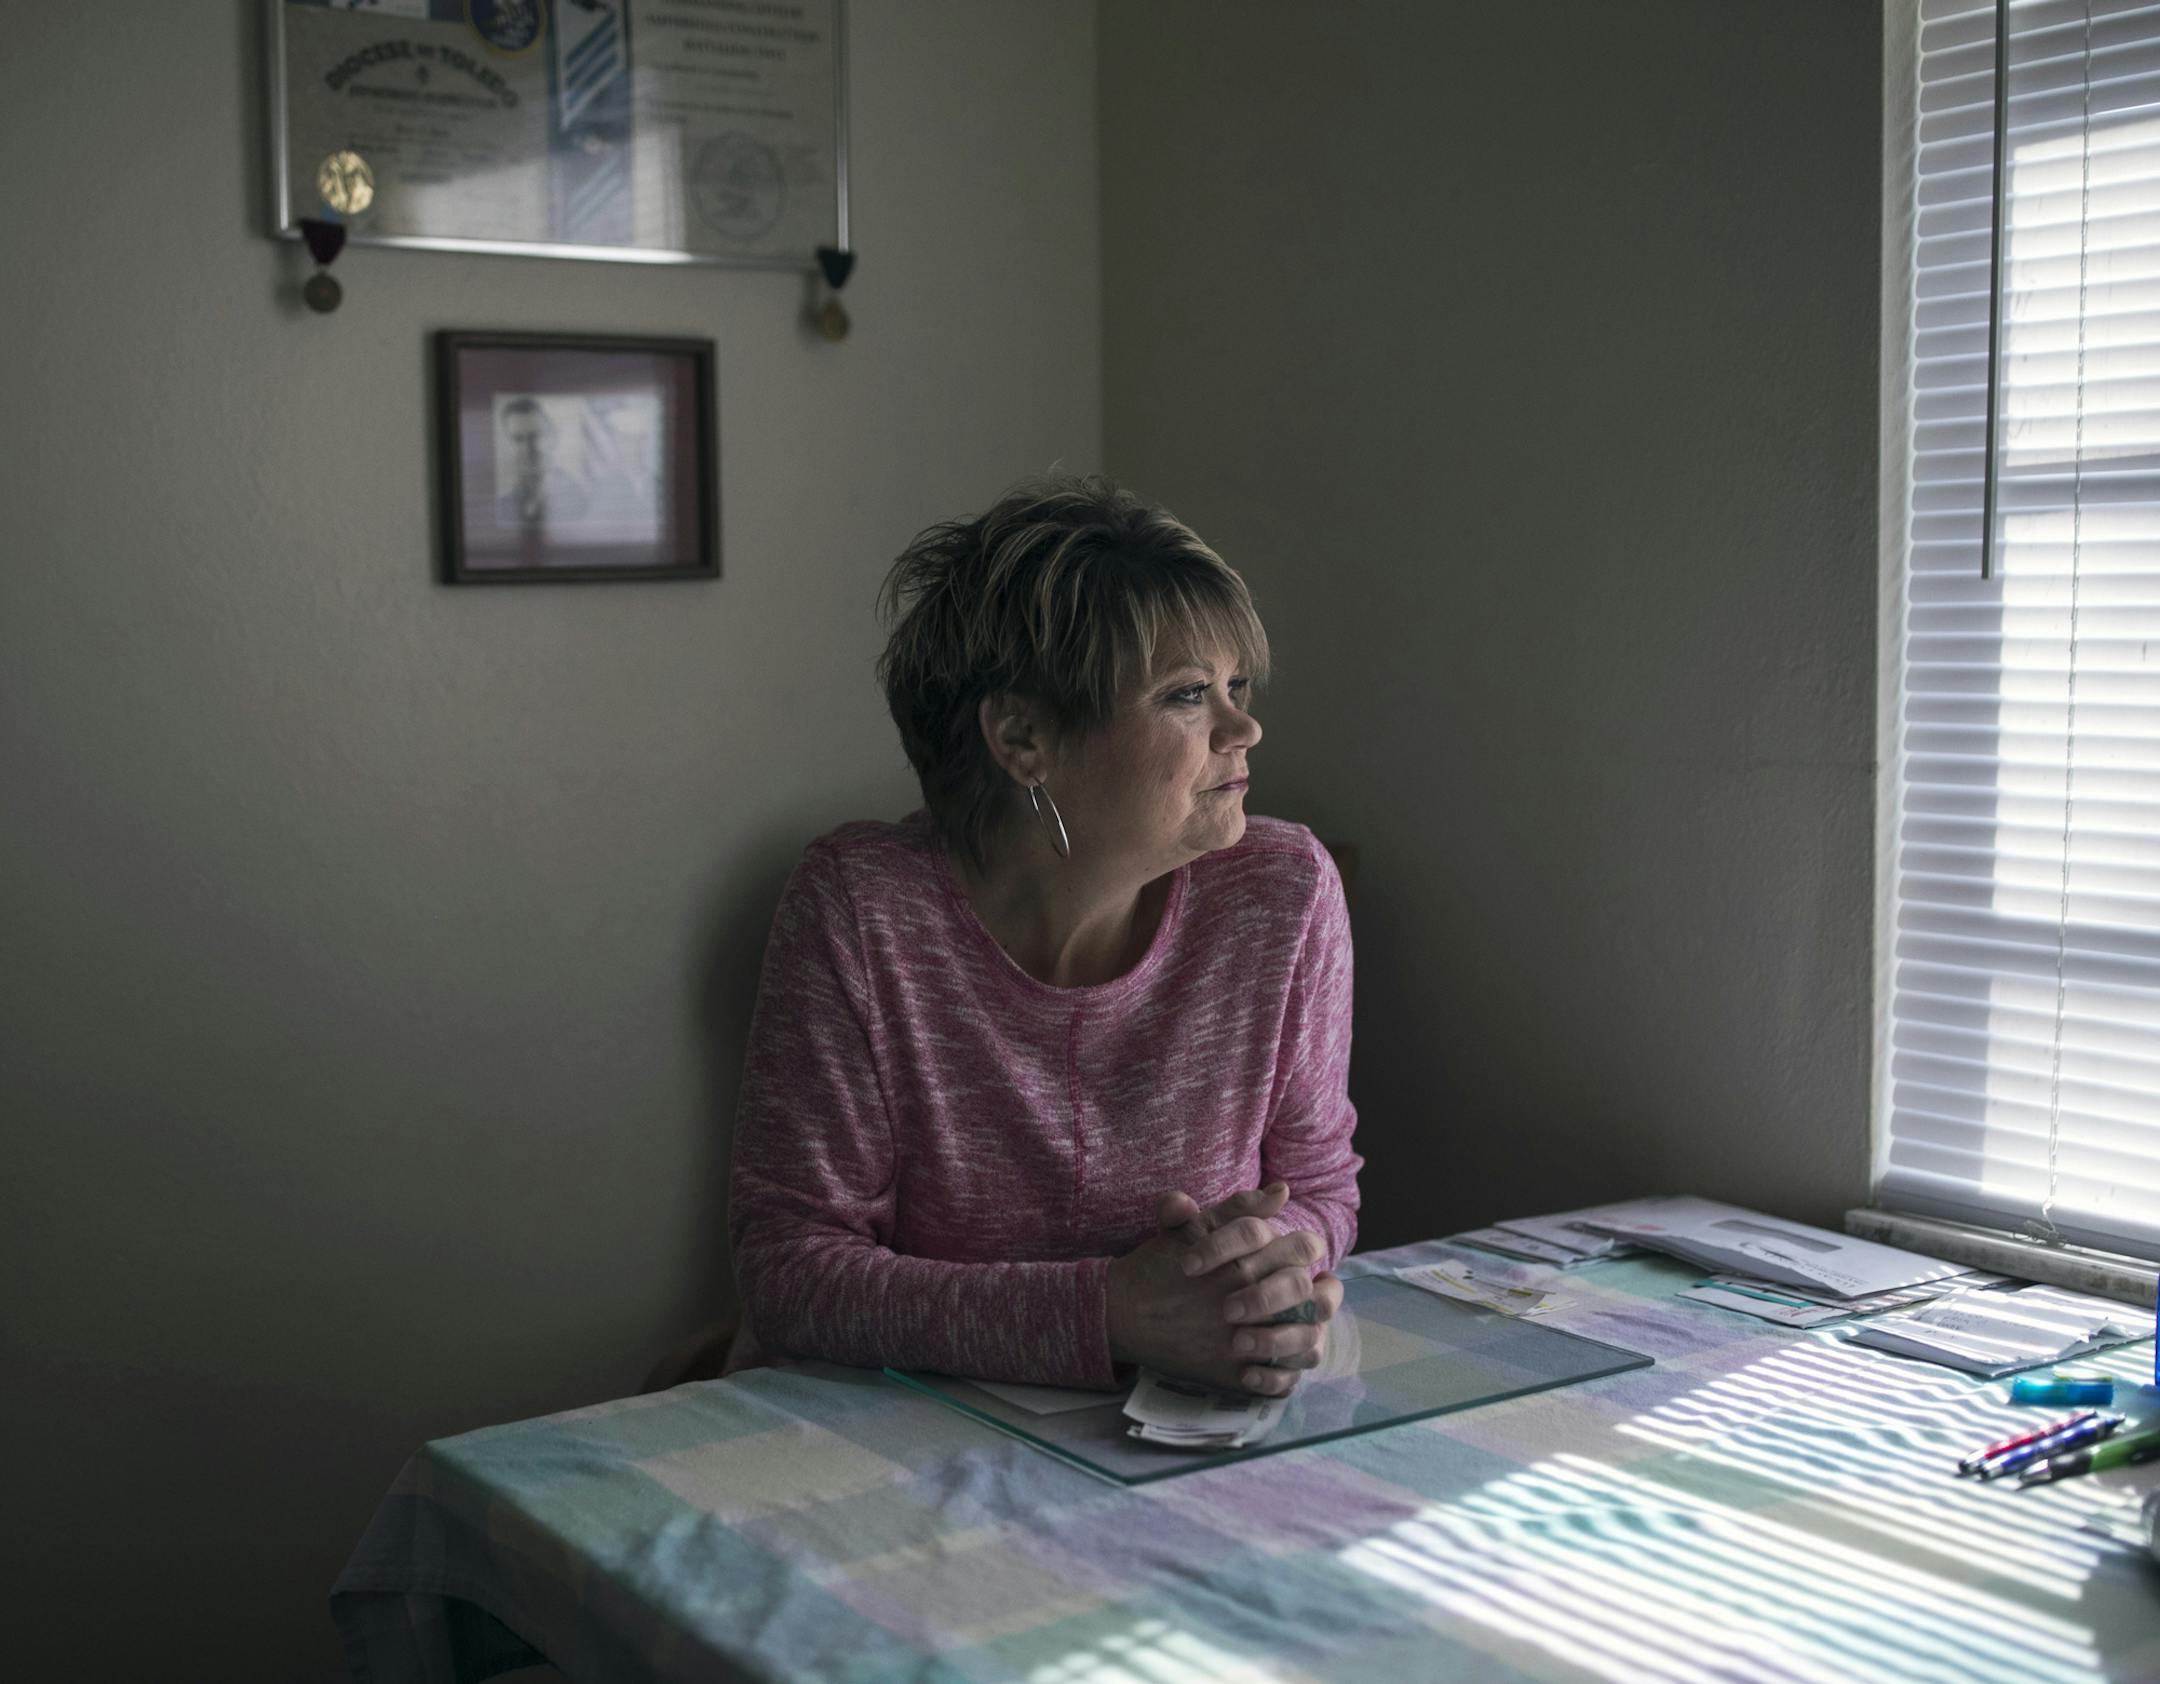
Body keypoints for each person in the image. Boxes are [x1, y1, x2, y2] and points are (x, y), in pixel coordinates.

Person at [727, 475, 1360, 1397]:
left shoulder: (1283, 894)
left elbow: (1321, 1185)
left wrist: (1263, 1260)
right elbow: (789, 1269)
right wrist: (1110, 1315)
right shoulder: (863, 909)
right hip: (884, 1433)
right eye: (1188, 695)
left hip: (1179, 1432)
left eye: (1237, 685)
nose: (1244, 726)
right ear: (1022, 737)